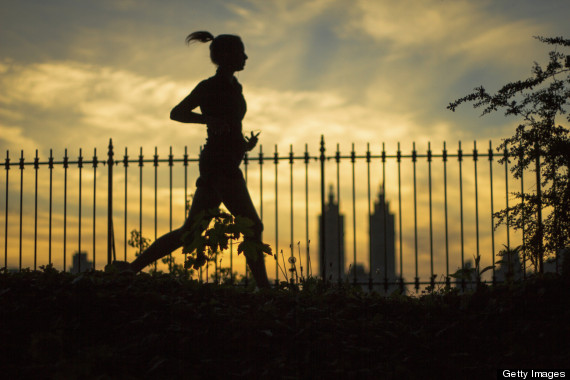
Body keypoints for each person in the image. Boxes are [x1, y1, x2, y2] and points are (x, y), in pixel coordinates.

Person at [113, 31, 270, 288]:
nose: (246, 56)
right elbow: (177, 112)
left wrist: (244, 144)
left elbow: (231, 125)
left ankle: (131, 268)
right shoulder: (207, 87)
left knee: (190, 231)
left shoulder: (235, 87)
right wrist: (206, 119)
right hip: (219, 165)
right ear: (226, 56)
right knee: (253, 225)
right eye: (241, 52)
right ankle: (266, 291)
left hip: (226, 161)